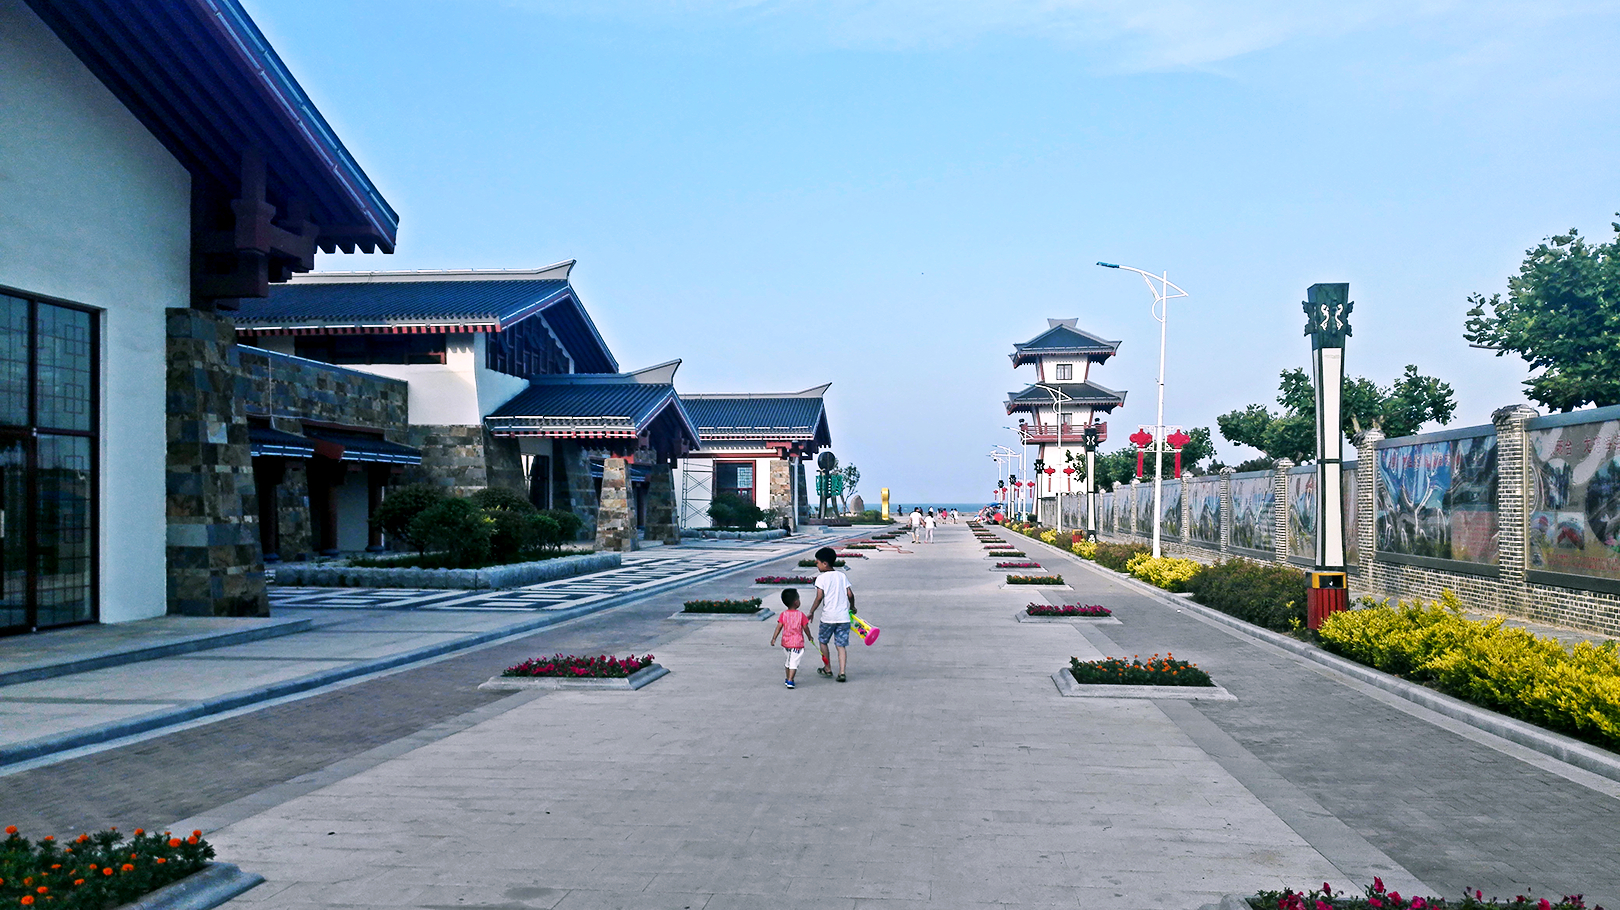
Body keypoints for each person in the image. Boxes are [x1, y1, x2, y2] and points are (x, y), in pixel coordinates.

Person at [806, 545, 855, 682]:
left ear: (824, 563)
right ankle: (842, 672)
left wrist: (811, 612)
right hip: (843, 618)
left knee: (823, 641)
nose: (817, 565)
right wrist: (853, 607)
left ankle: (827, 668)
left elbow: (819, 597)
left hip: (828, 617)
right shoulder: (842, 576)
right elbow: (850, 594)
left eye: (817, 562)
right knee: (841, 645)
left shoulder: (821, 578)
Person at [770, 588, 810, 688]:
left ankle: (787, 677)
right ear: (796, 602)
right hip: (797, 643)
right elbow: (805, 627)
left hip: (786, 642)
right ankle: (790, 680)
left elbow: (779, 626)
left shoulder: (784, 614)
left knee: (788, 660)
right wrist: (810, 637)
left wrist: (774, 638)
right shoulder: (801, 615)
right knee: (794, 662)